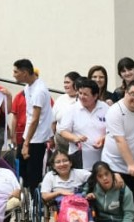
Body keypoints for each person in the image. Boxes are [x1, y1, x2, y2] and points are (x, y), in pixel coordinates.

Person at [13, 59, 54, 190]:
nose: (13, 75)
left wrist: (26, 143)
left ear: (25, 73)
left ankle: (34, 206)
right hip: (28, 136)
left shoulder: (39, 91)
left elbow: (35, 119)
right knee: (22, 175)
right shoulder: (28, 87)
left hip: (36, 139)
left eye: (16, 72)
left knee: (32, 177)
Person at [58, 78, 108, 169]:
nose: (81, 96)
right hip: (79, 160)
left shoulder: (105, 108)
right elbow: (63, 131)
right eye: (80, 93)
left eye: (85, 94)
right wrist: (75, 138)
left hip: (102, 161)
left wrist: (104, 138)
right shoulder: (72, 109)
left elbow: (112, 130)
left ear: (95, 96)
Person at [53, 71, 82, 154]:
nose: (65, 85)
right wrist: (51, 138)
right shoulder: (60, 99)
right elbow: (53, 121)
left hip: (77, 141)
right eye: (64, 83)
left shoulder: (82, 99)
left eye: (68, 82)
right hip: (61, 142)